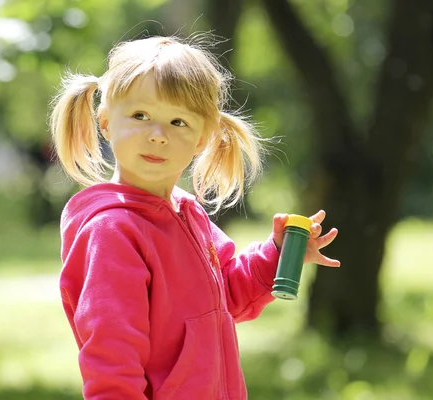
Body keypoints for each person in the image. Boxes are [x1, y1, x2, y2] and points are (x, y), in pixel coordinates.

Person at [49, 35, 340, 399]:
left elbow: (226, 296)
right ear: (106, 122)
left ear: (202, 138)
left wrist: (277, 254)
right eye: (140, 116)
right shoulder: (113, 231)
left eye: (178, 122)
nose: (158, 135)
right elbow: (112, 357)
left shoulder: (186, 213)